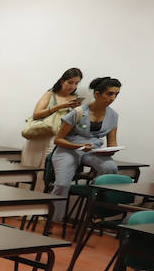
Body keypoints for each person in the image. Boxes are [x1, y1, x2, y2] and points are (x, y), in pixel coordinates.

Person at [49, 77, 123, 220]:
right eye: (109, 94)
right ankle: (54, 219)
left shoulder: (113, 116)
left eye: (116, 94)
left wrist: (112, 150)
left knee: (110, 167)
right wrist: (78, 146)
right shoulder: (78, 112)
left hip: (92, 150)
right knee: (62, 184)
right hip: (68, 148)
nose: (113, 98)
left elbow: (112, 142)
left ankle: (96, 211)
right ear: (97, 94)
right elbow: (58, 140)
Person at [26, 68, 84, 170]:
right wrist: (60, 106)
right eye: (70, 82)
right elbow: (36, 114)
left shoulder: (75, 98)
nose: (73, 86)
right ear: (62, 81)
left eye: (76, 83)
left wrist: (77, 109)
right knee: (33, 170)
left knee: (49, 171)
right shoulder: (51, 94)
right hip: (43, 134)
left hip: (60, 138)